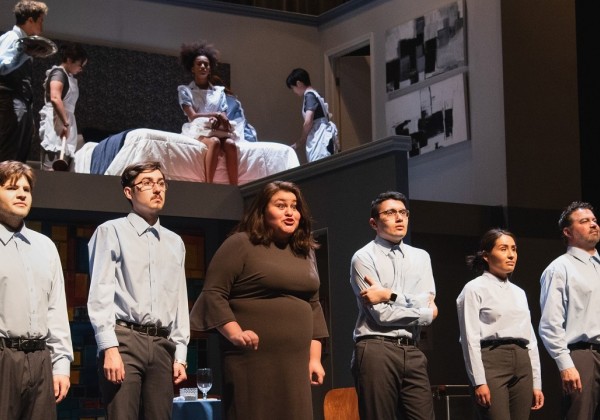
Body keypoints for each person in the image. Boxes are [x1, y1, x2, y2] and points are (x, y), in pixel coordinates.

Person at [189, 180, 328, 419]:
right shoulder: (240, 244)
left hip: (295, 361)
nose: (289, 212)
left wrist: (314, 358)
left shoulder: (305, 250)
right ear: (262, 211)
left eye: (294, 207)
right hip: (252, 359)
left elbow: (313, 305)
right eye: (281, 205)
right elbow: (214, 294)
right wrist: (235, 333)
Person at [87, 161, 190, 419]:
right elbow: (100, 293)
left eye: (160, 183)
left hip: (162, 343)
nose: (156, 189)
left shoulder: (174, 242)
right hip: (125, 339)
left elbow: (179, 299)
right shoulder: (111, 232)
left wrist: (181, 354)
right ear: (129, 192)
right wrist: (109, 347)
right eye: (146, 183)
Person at [349, 191, 437, 420]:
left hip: (413, 349)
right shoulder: (364, 257)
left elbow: (430, 307)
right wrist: (420, 309)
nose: (399, 218)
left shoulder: (421, 257)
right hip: (377, 348)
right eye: (390, 213)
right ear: (374, 222)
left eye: (403, 212)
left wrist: (389, 294)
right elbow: (382, 315)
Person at [0, 160, 72, 419]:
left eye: (26, 189)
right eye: (11, 187)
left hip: (40, 358)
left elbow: (56, 310)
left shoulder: (45, 246)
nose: (21, 194)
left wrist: (61, 365)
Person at [456, 228, 544, 419]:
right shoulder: (474, 289)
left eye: (514, 249)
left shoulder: (519, 292)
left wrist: (536, 382)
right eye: (503, 249)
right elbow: (469, 339)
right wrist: (478, 381)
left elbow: (531, 339)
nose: (511, 254)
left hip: (522, 362)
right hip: (492, 360)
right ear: (486, 256)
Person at [539, 201, 600, 419]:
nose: (593, 224)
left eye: (594, 220)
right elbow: (550, 324)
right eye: (584, 221)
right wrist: (565, 364)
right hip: (583, 356)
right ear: (568, 231)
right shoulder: (559, 268)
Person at [178, 41, 238, 185]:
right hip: (197, 129)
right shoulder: (185, 90)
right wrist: (214, 115)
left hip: (216, 128)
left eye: (206, 64)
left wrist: (220, 118)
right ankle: (208, 184)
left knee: (230, 144)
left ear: (210, 68)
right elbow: (192, 116)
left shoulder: (219, 92)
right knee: (215, 142)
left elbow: (223, 114)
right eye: (199, 64)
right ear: (192, 68)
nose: (203, 67)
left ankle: (234, 186)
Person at [0, 1, 48, 162]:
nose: (42, 26)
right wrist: (24, 52)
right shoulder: (12, 38)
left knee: (18, 155)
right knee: (9, 154)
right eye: (40, 20)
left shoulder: (23, 42)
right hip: (10, 101)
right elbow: (2, 66)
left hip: (20, 102)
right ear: (30, 20)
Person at [39, 42, 87, 170]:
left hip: (66, 120)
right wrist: (65, 123)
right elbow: (55, 98)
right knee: (52, 165)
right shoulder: (58, 73)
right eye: (80, 65)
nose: (81, 69)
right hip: (57, 121)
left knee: (62, 165)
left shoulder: (69, 76)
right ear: (70, 60)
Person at [286, 67, 338, 163]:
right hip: (325, 135)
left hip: (320, 137)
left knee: (319, 165)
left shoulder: (309, 96)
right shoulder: (316, 94)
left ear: (298, 83)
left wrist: (301, 140)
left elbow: (308, 121)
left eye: (293, 88)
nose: (294, 91)